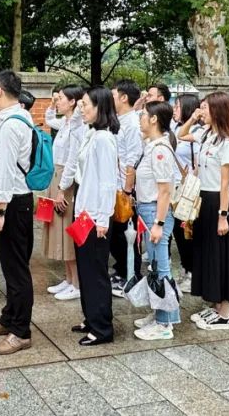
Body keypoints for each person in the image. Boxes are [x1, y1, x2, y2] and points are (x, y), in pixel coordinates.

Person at [0, 70, 36, 355]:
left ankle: (21, 332)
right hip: (16, 200)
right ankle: (9, 318)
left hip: (12, 203)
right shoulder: (18, 118)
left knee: (16, 270)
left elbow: (5, 172)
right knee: (13, 266)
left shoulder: (11, 125)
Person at [70, 87, 119, 346]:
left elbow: (108, 182)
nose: (82, 109)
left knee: (95, 272)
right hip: (84, 212)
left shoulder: (104, 139)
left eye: (86, 104)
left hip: (96, 216)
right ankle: (91, 318)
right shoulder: (92, 134)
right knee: (85, 269)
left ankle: (102, 328)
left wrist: (102, 219)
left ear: (100, 107)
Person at [189, 91, 229, 331]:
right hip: (204, 199)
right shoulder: (209, 136)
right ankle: (217, 304)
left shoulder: (228, 143)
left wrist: (223, 216)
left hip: (219, 203)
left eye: (206, 108)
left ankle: (226, 313)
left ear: (218, 111)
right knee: (209, 254)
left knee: (222, 255)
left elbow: (225, 184)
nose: (202, 111)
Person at [133, 101, 181, 340]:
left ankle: (165, 323)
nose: (140, 118)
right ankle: (160, 313)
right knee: (154, 266)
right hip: (148, 210)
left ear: (154, 119)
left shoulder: (160, 149)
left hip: (156, 212)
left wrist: (159, 224)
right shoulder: (151, 146)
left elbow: (164, 190)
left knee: (161, 267)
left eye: (143, 115)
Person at [45, 85, 87, 301]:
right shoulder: (65, 123)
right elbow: (48, 118)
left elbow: (72, 161)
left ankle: (77, 283)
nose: (58, 101)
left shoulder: (77, 126)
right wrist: (53, 103)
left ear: (73, 102)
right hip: (58, 176)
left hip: (66, 181)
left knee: (67, 231)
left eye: (61, 98)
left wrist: (62, 189)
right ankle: (69, 279)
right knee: (59, 229)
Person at [109, 79, 143, 296]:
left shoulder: (132, 123)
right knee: (116, 235)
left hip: (124, 189)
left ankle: (132, 275)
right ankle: (121, 270)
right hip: (115, 186)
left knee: (126, 235)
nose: (111, 99)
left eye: (113, 95)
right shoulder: (118, 121)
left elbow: (133, 159)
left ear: (123, 97)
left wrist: (127, 191)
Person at [170, 93, 201, 291]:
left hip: (188, 189)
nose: (174, 109)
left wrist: (192, 187)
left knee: (187, 231)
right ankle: (185, 267)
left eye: (178, 106)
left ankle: (192, 271)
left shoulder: (196, 131)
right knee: (178, 232)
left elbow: (197, 164)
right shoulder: (175, 128)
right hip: (175, 188)